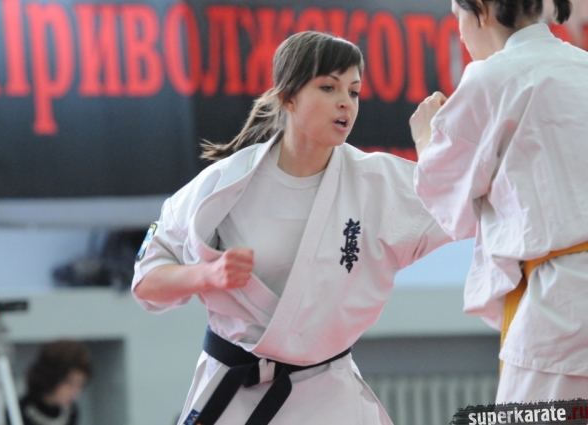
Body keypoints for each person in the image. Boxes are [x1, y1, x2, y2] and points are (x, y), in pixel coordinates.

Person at [133, 31, 451, 425]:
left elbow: (460, 207)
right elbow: (146, 281)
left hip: (327, 393)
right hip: (234, 391)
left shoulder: (378, 182)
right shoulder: (225, 184)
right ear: (288, 97)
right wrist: (207, 275)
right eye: (328, 87)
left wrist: (433, 146)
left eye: (353, 91)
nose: (345, 102)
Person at [410, 0, 588, 404]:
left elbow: (447, 198)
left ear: (482, 10)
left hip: (564, 307)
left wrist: (426, 136)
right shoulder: (582, 66)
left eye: (458, 15)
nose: (459, 31)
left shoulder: (491, 77)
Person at [18, 340, 93, 425]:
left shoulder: (72, 412)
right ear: (51, 377)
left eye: (80, 384)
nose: (75, 391)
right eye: (69, 382)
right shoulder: (18, 411)